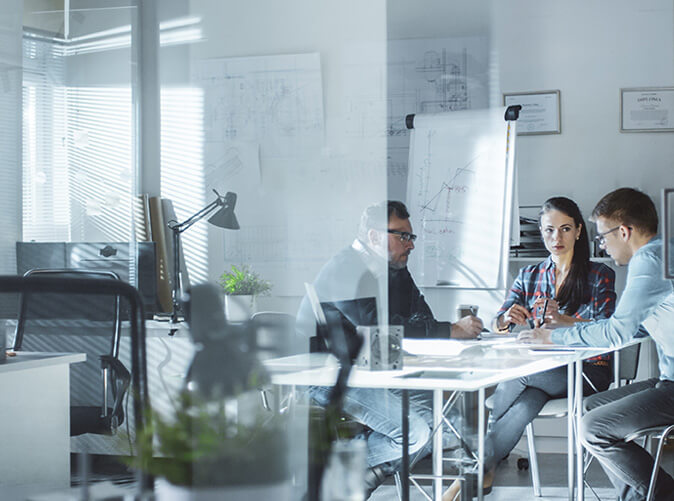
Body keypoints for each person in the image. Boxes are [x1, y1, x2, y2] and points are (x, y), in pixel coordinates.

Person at [296, 200, 484, 498]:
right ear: (373, 237)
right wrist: (450, 330)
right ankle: (336, 469)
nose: (410, 245)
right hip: (329, 376)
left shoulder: (394, 267)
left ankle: (373, 473)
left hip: (378, 370)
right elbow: (377, 327)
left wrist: (445, 331)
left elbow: (421, 317)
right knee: (417, 433)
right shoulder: (344, 268)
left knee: (445, 426)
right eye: (402, 236)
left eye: (411, 237)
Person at [442, 196, 616, 500]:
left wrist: (565, 321)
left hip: (588, 372)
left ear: (578, 231)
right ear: (541, 231)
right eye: (549, 230)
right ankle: (477, 475)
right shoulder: (530, 275)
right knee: (526, 404)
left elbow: (605, 329)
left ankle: (470, 475)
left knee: (519, 377)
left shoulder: (599, 275)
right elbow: (497, 322)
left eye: (564, 229)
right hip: (541, 374)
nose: (556, 238)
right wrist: (506, 318)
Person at [519, 188, 674, 501]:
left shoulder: (650, 261)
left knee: (593, 427)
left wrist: (551, 336)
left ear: (625, 231)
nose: (601, 244)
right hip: (667, 381)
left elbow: (617, 333)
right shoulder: (661, 252)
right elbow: (636, 328)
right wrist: (570, 323)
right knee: (588, 408)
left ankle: (661, 494)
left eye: (603, 236)